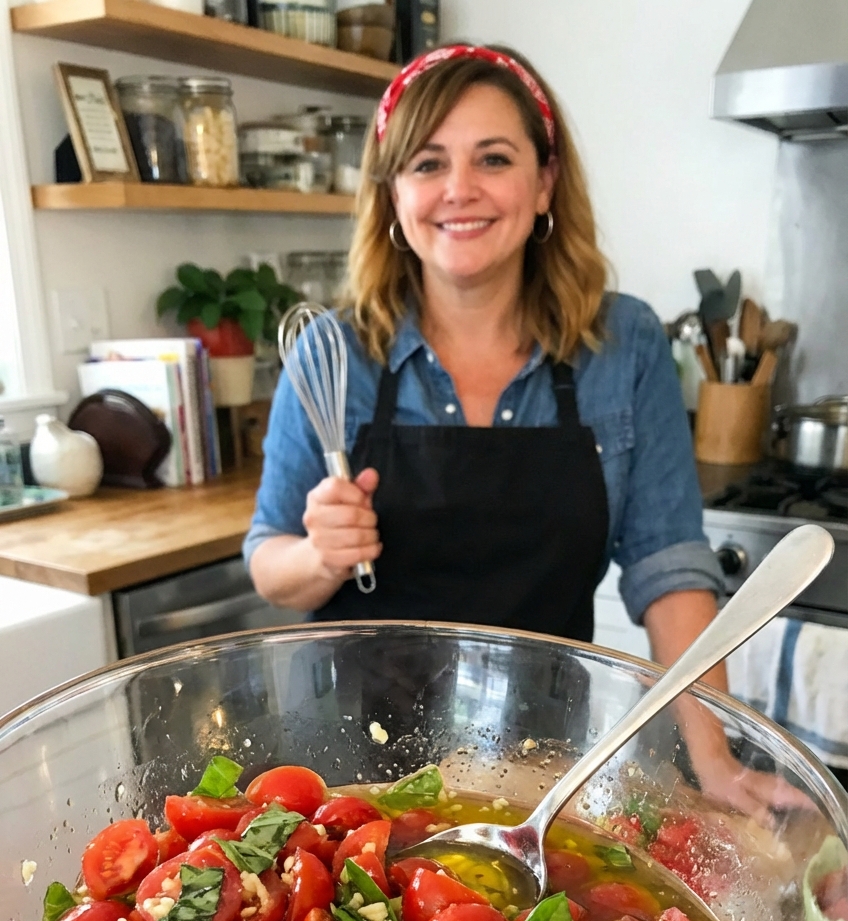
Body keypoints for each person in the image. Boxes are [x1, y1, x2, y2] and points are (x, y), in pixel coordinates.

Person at [246, 43, 803, 821]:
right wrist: (319, 554)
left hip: (543, 774)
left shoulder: (625, 345)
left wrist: (715, 759)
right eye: (428, 163)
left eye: (494, 158)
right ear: (393, 193)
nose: (459, 189)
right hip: (351, 775)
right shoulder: (330, 354)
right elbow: (269, 561)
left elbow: (668, 567)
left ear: (544, 183)